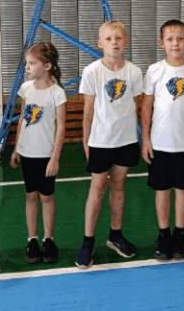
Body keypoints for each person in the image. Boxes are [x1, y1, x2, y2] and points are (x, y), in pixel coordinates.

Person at [75, 21, 143, 269]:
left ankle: (115, 235)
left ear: (126, 42)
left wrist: (141, 138)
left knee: (119, 186)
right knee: (97, 188)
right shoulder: (92, 71)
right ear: (100, 43)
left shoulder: (134, 72)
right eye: (108, 39)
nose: (114, 42)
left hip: (126, 140)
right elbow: (88, 111)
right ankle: (88, 242)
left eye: (118, 38)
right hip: (100, 141)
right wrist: (86, 141)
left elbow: (137, 107)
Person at [141, 20, 184, 261]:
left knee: (182, 190)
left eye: (180, 39)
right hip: (159, 144)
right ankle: (163, 235)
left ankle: (179, 235)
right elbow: (146, 106)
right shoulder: (154, 71)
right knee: (162, 190)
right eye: (170, 39)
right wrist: (145, 138)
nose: (175, 43)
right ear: (162, 43)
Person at [10, 42, 67, 265]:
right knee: (31, 196)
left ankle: (48, 239)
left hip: (46, 155)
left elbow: (61, 127)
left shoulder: (57, 93)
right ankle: (32, 239)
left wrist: (55, 157)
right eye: (27, 63)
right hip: (27, 154)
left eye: (32, 63)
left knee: (47, 197)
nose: (27, 67)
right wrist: (17, 148)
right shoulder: (26, 88)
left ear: (47, 66)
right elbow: (23, 119)